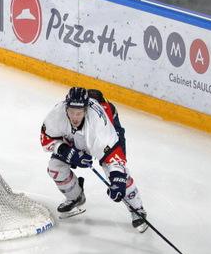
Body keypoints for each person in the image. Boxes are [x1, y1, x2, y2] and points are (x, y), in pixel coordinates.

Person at [40, 87, 148, 232]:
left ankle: (137, 209)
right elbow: (46, 139)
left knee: (118, 175)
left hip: (107, 130)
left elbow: (114, 157)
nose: (75, 117)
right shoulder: (57, 114)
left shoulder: (99, 126)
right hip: (75, 136)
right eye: (71, 112)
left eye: (79, 113)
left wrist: (118, 178)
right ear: (66, 108)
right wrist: (66, 151)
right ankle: (76, 197)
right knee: (55, 168)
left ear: (86, 110)